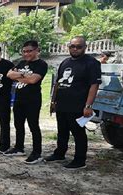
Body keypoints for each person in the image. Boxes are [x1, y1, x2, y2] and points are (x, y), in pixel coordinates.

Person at [45, 36, 102, 169]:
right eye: (72, 46)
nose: (75, 49)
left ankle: (79, 160)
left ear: (85, 48)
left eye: (79, 46)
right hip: (62, 103)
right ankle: (60, 153)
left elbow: (94, 85)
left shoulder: (91, 63)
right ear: (68, 47)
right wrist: (53, 101)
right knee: (62, 131)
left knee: (78, 133)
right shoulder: (65, 62)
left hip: (78, 105)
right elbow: (58, 83)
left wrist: (88, 106)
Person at [6, 40, 48, 164]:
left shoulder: (41, 64)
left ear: (36, 50)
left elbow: (33, 80)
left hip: (32, 100)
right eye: (24, 51)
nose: (26, 54)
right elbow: (9, 74)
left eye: (29, 51)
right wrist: (23, 76)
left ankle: (37, 153)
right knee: (18, 124)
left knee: (33, 126)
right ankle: (19, 147)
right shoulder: (21, 62)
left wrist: (18, 76)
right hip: (19, 99)